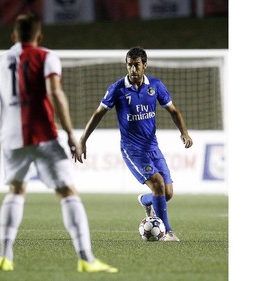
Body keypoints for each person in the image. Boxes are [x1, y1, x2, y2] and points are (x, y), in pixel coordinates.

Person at [0, 12, 118, 273]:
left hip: (11, 139)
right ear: (40, 36)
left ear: (13, 36)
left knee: (15, 191)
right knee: (67, 192)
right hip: (44, 136)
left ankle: (5, 256)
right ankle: (86, 259)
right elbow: (54, 91)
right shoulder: (47, 56)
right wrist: (70, 134)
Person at [75, 47, 193, 242]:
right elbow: (98, 113)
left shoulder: (155, 86)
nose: (132, 69)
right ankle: (168, 232)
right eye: (129, 65)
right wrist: (82, 139)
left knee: (167, 193)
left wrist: (184, 132)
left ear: (144, 65)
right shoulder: (117, 89)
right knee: (157, 185)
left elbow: (173, 110)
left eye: (136, 65)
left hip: (152, 147)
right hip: (132, 149)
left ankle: (145, 200)